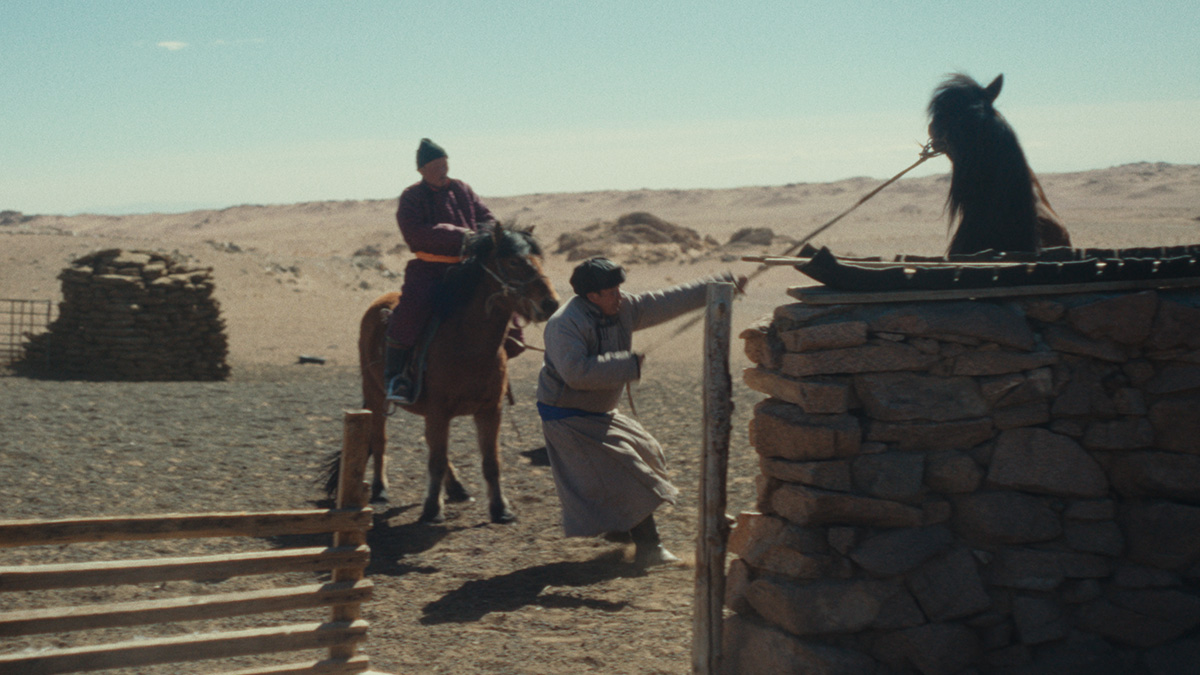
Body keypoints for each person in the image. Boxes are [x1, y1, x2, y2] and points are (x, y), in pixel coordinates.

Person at [536, 257, 747, 567]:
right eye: (611, 292)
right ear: (592, 296)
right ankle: (650, 548)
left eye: (619, 289)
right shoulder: (565, 323)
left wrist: (721, 285)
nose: (619, 296)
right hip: (567, 417)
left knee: (648, 453)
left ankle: (620, 527)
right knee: (626, 471)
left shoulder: (623, 307)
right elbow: (575, 374)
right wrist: (627, 365)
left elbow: (669, 300)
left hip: (600, 413)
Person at [385, 138, 523, 402]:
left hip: (469, 268)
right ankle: (396, 376)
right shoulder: (412, 197)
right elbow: (414, 232)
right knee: (411, 311)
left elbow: (486, 218)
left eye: (444, 164)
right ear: (422, 170)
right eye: (436, 166)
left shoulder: (462, 189)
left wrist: (490, 234)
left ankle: (497, 366)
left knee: (504, 303)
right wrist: (461, 236)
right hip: (430, 269)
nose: (443, 170)